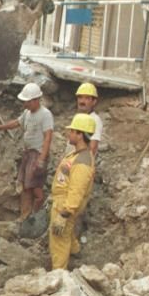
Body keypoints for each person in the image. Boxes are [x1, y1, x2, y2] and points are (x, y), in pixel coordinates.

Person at [0, 82, 54, 220]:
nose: (24, 104)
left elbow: (48, 137)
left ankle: (35, 217)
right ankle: (24, 215)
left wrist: (42, 159)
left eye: (27, 102)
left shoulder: (45, 115)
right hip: (28, 153)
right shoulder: (27, 113)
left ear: (36, 100)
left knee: (36, 188)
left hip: (37, 154)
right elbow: (15, 123)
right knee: (25, 186)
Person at [48, 114, 96, 270]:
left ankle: (59, 274)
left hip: (65, 204)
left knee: (58, 237)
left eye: (72, 131)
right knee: (67, 232)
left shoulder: (83, 162)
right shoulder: (77, 155)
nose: (69, 134)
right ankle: (75, 251)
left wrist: (65, 213)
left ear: (80, 134)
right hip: (62, 201)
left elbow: (77, 190)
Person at [75, 82, 104, 157]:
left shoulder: (95, 120)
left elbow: (92, 148)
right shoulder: (77, 117)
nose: (82, 101)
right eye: (80, 97)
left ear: (94, 101)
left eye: (87, 98)